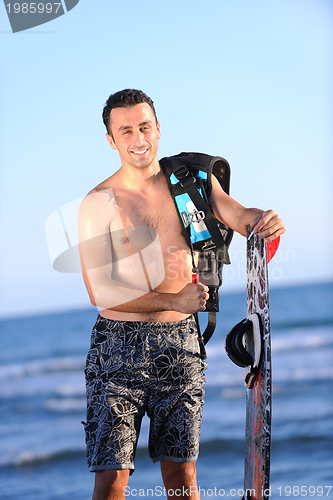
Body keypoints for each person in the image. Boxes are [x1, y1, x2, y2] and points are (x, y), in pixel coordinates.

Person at [78, 89, 285, 500]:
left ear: (158, 128)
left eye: (145, 127)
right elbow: (100, 292)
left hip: (181, 344)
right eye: (126, 131)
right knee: (112, 479)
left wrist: (263, 219)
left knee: (182, 478)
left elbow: (238, 215)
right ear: (110, 139)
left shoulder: (191, 183)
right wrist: (174, 301)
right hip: (117, 348)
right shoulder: (98, 204)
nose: (138, 138)